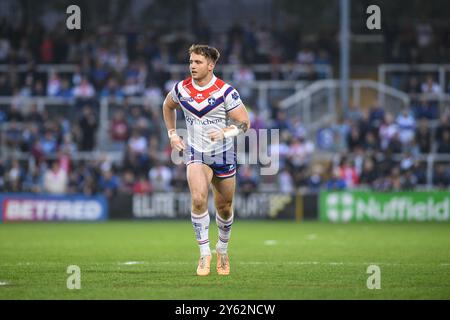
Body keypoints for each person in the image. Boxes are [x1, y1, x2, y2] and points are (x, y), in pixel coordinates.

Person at [162, 44, 250, 276]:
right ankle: (204, 254)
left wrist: (225, 132)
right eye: (191, 61)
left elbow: (244, 123)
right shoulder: (181, 89)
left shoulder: (225, 91)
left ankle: (222, 249)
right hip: (196, 153)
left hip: (223, 154)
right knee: (199, 199)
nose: (192, 66)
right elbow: (167, 106)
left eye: (198, 62)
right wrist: (172, 134)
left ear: (211, 65)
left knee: (224, 207)